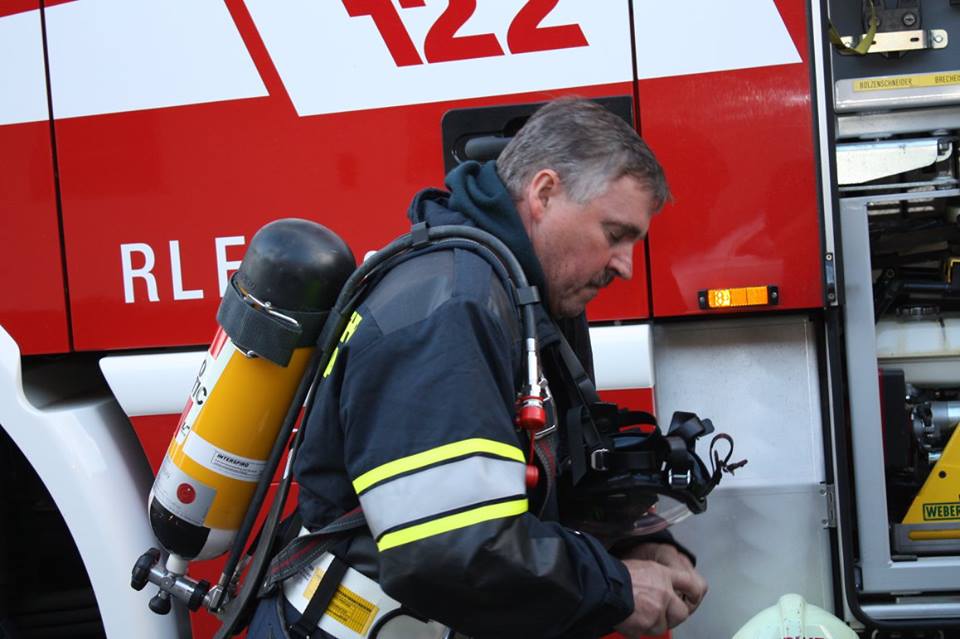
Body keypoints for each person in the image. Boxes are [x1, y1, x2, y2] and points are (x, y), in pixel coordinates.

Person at [246, 98, 708, 639]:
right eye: (614, 233)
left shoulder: (520, 293)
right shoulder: (449, 306)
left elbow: (537, 478)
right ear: (544, 193)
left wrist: (633, 540)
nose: (625, 265)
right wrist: (615, 586)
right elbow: (451, 547)